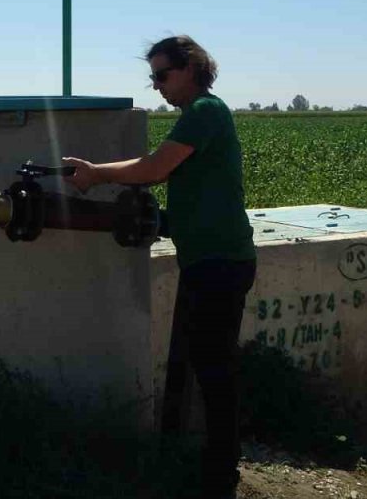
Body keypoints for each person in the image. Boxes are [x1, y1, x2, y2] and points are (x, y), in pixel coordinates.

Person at [63, 35, 256, 499]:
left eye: (162, 75)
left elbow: (154, 169)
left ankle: (221, 474)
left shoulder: (205, 111)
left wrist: (96, 173)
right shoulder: (199, 116)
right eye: (152, 77)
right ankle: (213, 463)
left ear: (191, 68)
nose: (156, 85)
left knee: (214, 367)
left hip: (220, 262)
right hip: (208, 259)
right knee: (206, 363)